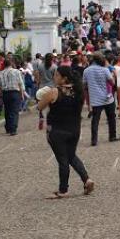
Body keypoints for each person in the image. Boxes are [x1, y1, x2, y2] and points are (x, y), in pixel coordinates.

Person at [37, 65, 95, 199]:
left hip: (57, 130)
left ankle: (63, 189)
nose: (54, 77)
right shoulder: (78, 90)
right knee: (71, 155)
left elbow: (40, 106)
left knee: (62, 159)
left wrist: (42, 96)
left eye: (57, 75)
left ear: (64, 78)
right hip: (74, 129)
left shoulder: (54, 92)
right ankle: (86, 179)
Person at [82, 54, 120, 146]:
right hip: (107, 98)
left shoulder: (86, 71)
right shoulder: (105, 70)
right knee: (111, 117)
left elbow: (84, 85)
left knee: (95, 120)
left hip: (95, 99)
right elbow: (112, 83)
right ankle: (112, 136)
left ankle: (94, 140)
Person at [0, 57, 26, 136]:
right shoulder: (16, 72)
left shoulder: (0, 73)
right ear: (11, 63)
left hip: (5, 93)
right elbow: (20, 83)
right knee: (14, 111)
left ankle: (8, 127)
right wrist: (22, 94)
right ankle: (13, 129)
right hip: (15, 92)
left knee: (7, 110)